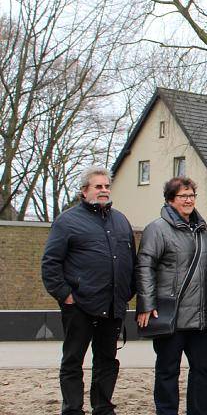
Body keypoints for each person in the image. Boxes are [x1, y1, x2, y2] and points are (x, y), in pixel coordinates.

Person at [41, 167, 136, 415]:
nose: (104, 190)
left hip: (112, 305)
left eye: (107, 186)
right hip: (79, 306)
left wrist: (128, 291)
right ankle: (72, 409)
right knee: (73, 360)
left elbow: (132, 261)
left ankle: (103, 407)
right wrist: (65, 295)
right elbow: (50, 263)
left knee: (107, 361)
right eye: (98, 186)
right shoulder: (67, 221)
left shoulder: (121, 221)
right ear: (84, 191)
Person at [136, 177, 207, 415]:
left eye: (191, 195)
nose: (188, 200)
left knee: (203, 371)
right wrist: (146, 304)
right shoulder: (157, 229)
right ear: (170, 200)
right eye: (183, 196)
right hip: (171, 316)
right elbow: (145, 267)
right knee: (167, 371)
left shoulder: (203, 230)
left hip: (202, 318)